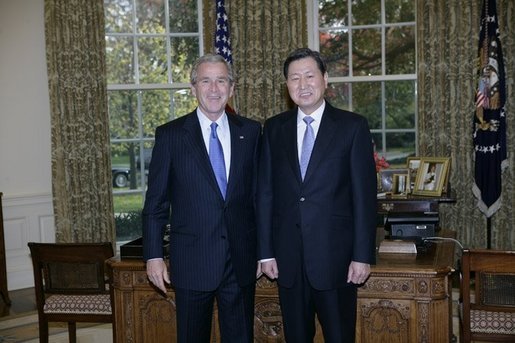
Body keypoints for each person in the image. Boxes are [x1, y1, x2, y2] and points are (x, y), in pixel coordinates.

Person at [257, 48, 377, 343]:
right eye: (294, 78)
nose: (303, 84)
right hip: (287, 263)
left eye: (310, 76)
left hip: (337, 262)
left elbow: (364, 197)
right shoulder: (273, 129)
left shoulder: (352, 127)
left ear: (325, 79)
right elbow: (265, 193)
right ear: (286, 86)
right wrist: (266, 251)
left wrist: (362, 256)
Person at [143, 53, 261, 343]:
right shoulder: (170, 136)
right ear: (193, 87)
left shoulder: (252, 132)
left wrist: (265, 250)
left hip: (241, 261)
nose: (213, 89)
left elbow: (260, 198)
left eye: (221, 80)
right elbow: (155, 204)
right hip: (192, 263)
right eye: (205, 81)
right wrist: (154, 255)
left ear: (232, 88)